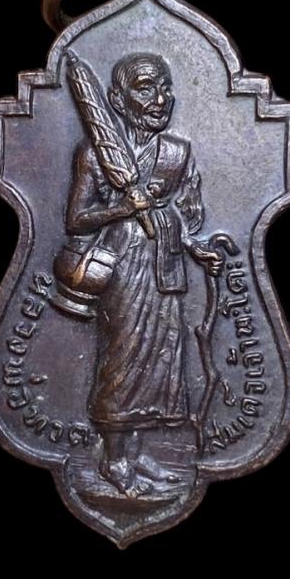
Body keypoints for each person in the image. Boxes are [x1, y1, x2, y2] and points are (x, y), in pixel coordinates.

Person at [64, 53, 223, 496]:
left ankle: (136, 455)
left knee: (161, 357)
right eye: (146, 88)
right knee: (125, 356)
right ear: (117, 99)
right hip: (122, 266)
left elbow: (187, 216)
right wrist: (122, 207)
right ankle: (114, 461)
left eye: (165, 88)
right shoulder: (94, 153)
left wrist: (196, 247)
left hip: (164, 264)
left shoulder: (177, 153)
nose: (160, 99)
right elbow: (76, 219)